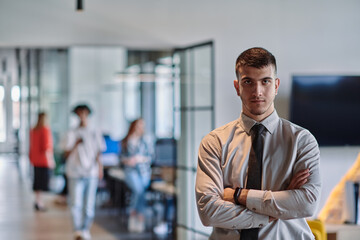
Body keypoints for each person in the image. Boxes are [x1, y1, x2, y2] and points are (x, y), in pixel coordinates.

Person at [195, 47, 321, 239]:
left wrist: (238, 196)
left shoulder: (302, 141)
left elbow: (307, 204)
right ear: (237, 87)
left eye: (265, 81)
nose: (257, 91)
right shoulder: (214, 142)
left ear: (276, 85)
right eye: (248, 82)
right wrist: (276, 208)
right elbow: (208, 211)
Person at [63, 104, 105, 240]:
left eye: (84, 113)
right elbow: (65, 154)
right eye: (79, 113)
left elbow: (99, 152)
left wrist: (100, 168)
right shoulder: (71, 133)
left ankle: (85, 228)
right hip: (75, 173)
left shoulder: (95, 132)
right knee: (76, 203)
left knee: (89, 205)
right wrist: (75, 143)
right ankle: (77, 230)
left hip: (91, 173)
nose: (82, 116)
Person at [120, 118, 153, 233]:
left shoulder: (146, 140)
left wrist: (139, 159)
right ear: (134, 125)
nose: (141, 128)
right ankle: (140, 216)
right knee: (139, 190)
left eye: (142, 125)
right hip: (130, 171)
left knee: (139, 191)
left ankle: (133, 213)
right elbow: (121, 158)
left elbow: (150, 157)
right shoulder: (126, 140)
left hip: (144, 171)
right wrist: (128, 160)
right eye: (139, 125)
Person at [29, 112, 55, 211]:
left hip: (35, 160)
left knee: (37, 182)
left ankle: (38, 201)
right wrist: (51, 161)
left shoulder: (33, 130)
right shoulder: (45, 130)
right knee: (42, 182)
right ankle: (39, 202)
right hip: (44, 161)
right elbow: (46, 147)